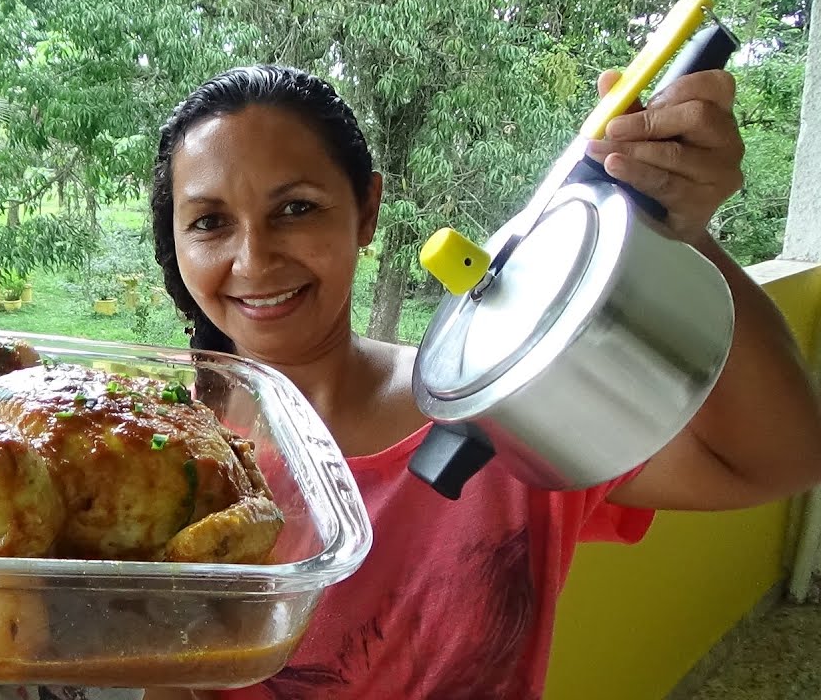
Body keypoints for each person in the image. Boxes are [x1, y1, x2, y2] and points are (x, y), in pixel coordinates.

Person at [139, 64, 821, 700]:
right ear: (176, 238)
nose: (254, 259)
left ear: (368, 209)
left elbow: (781, 459)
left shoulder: (508, 409)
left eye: (297, 208)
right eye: (210, 223)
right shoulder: (134, 454)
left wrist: (683, 232)